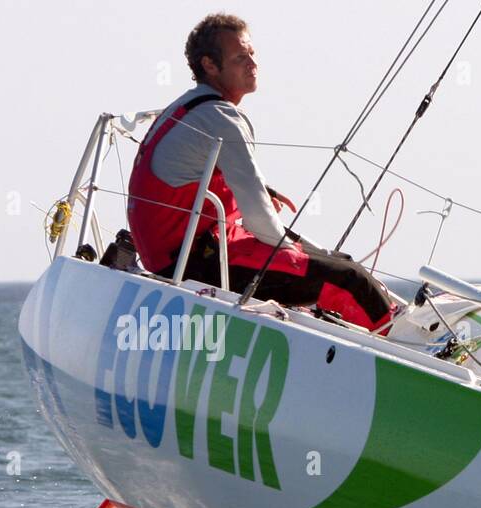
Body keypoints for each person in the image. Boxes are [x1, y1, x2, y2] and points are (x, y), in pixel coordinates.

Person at [128, 13, 399, 331]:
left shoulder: (187, 107)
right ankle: (403, 351)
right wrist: (291, 257)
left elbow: (194, 175)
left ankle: (373, 329)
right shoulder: (221, 118)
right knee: (349, 280)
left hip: (178, 252)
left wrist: (295, 245)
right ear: (210, 66)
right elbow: (258, 218)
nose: (252, 64)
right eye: (240, 58)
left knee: (339, 261)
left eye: (252, 54)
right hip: (193, 261)